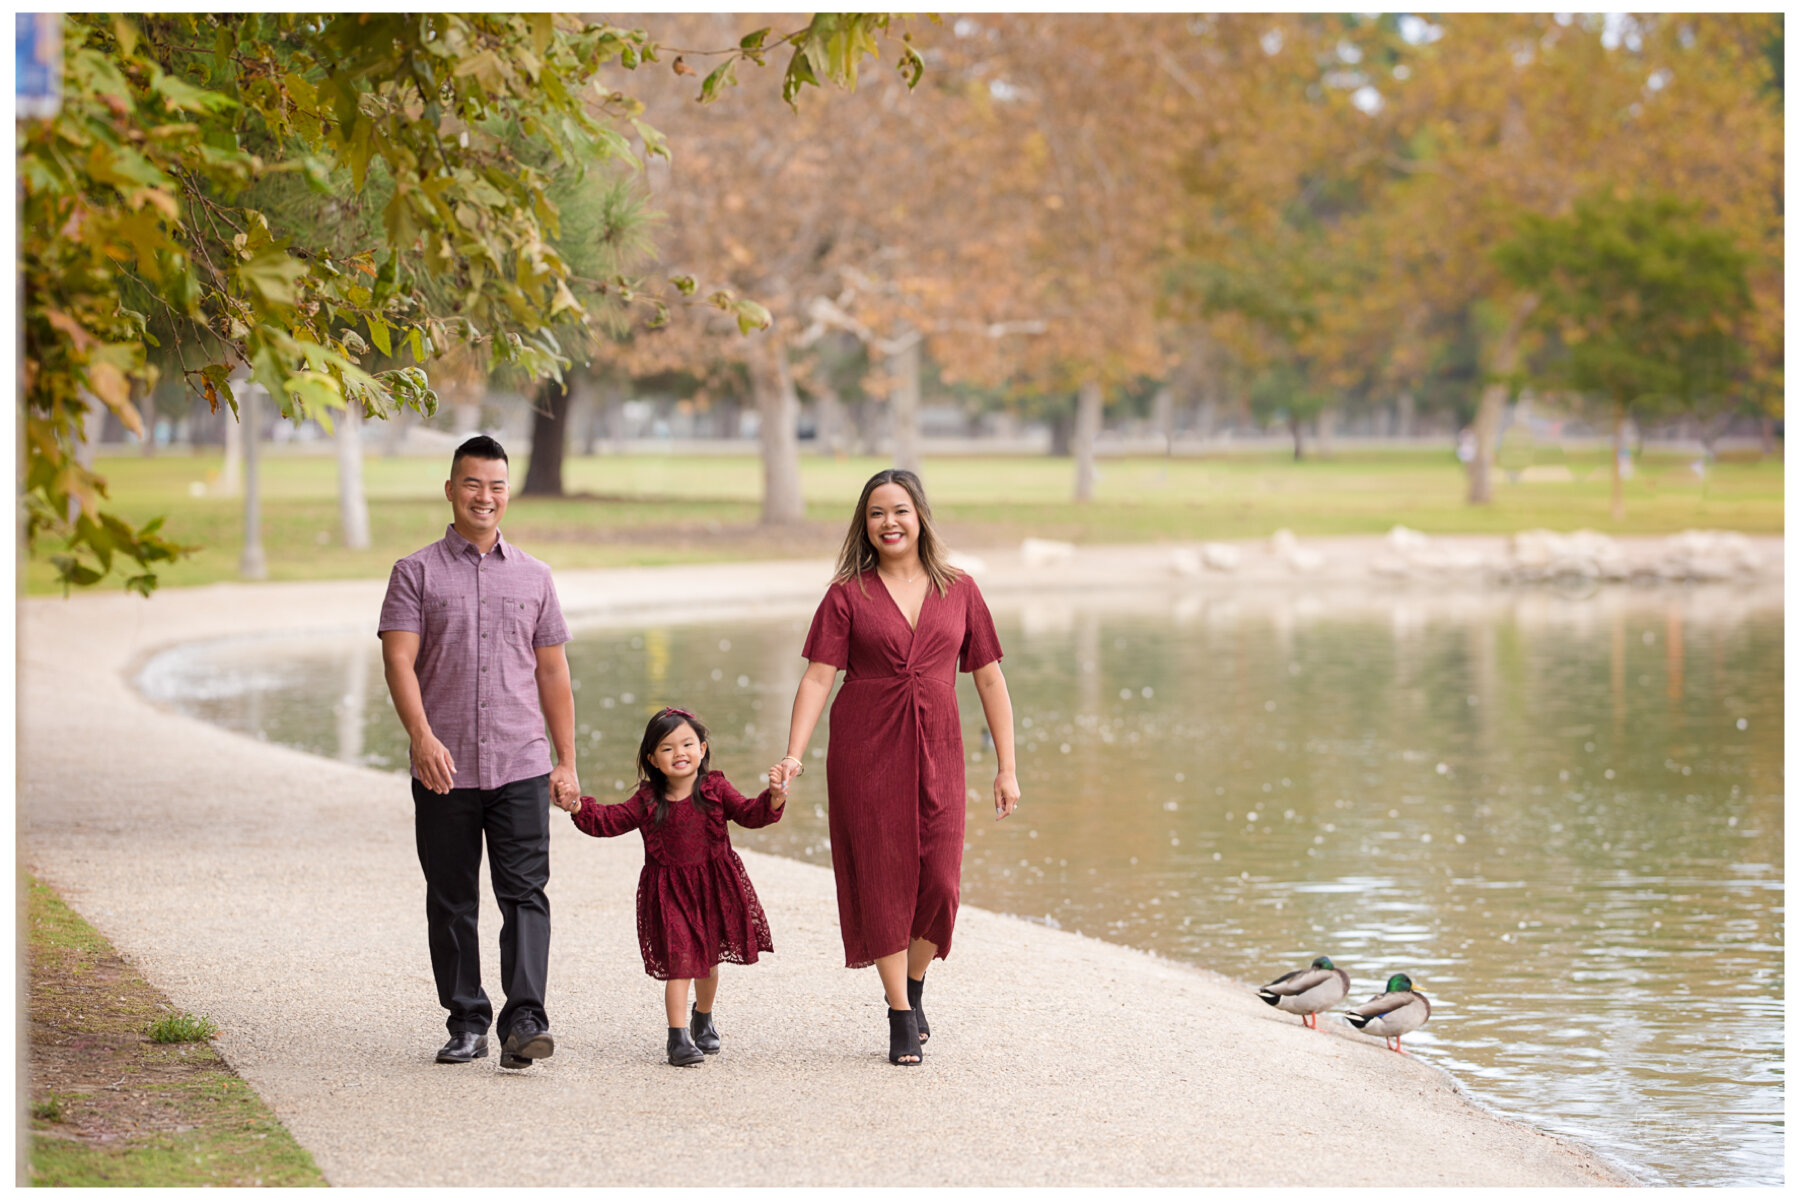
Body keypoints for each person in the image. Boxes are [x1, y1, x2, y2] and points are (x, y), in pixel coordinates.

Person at [770, 468, 1020, 1066]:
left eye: (900, 510)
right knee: (882, 879)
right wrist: (794, 754)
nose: (889, 522)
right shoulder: (846, 595)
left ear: (921, 517)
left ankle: (915, 984)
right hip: (866, 748)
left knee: (939, 883)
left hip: (940, 746)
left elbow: (989, 676)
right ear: (865, 523)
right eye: (877, 512)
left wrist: (1006, 767)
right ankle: (899, 1015)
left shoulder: (960, 589)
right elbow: (818, 677)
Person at [378, 435, 578, 1070]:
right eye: (472, 484)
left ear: (507, 493)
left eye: (495, 485)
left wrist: (565, 761)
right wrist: (422, 735)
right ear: (450, 489)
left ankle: (525, 1020)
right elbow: (399, 661)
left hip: (521, 761)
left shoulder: (535, 576)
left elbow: (553, 673)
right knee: (452, 895)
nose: (483, 496)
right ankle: (466, 1019)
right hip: (446, 766)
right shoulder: (414, 573)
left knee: (526, 894)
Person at [562, 707, 786, 1067]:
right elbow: (608, 820)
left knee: (708, 963)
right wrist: (576, 805)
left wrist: (774, 796)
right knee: (682, 961)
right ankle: (677, 1038)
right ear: (652, 758)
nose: (679, 753)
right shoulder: (648, 800)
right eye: (667, 748)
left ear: (702, 749)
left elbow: (748, 813)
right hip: (669, 893)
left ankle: (704, 1017)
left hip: (713, 887)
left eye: (687, 744)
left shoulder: (715, 789)